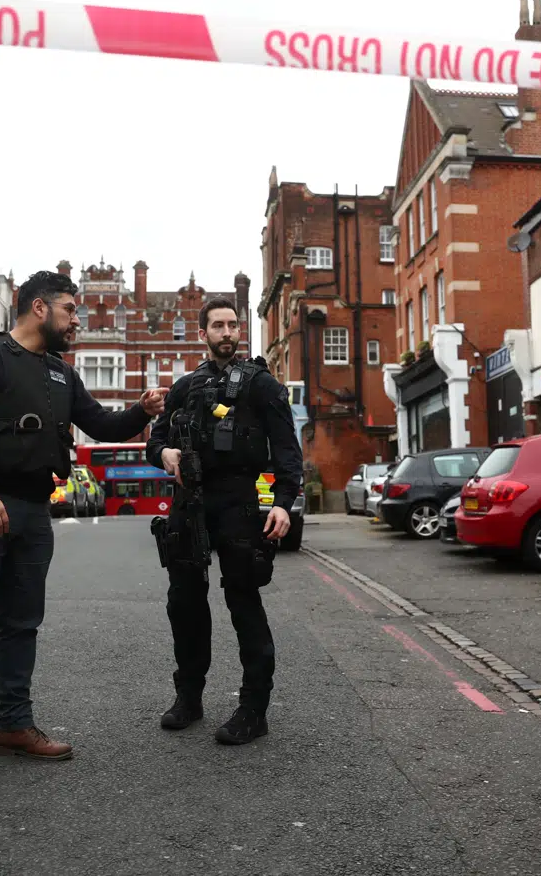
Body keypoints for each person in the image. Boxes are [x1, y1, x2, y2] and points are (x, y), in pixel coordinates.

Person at [0, 269, 167, 784]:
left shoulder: (59, 372)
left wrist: (139, 411)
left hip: (33, 509)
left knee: (22, 623)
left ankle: (14, 726)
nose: (77, 319)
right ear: (38, 308)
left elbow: (100, 424)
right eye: (70, 310)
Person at [145, 298, 303, 745]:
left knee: (243, 602)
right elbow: (153, 442)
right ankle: (188, 698)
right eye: (218, 325)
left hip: (238, 501)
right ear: (203, 334)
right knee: (185, 605)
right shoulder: (183, 388)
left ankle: (254, 708)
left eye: (234, 324)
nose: (228, 332)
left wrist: (282, 502)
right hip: (188, 504)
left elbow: (288, 452)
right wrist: (166, 453)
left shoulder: (262, 386)